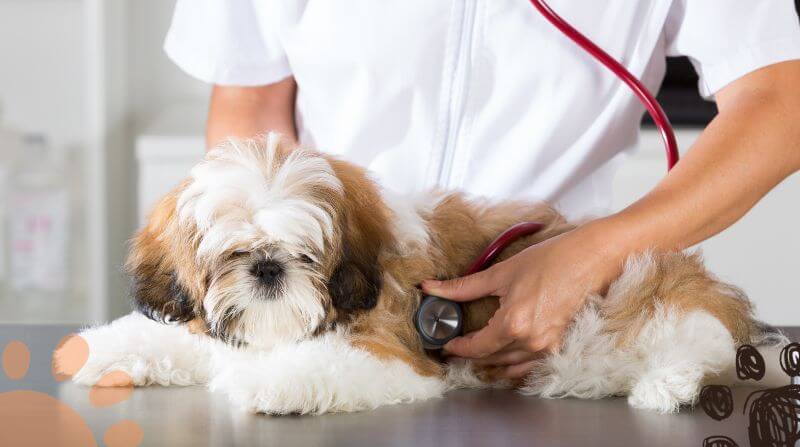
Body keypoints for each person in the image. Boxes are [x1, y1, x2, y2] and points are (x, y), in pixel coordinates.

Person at [164, 0, 800, 380]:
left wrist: (595, 254)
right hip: (340, 291)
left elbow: (780, 100)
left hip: (568, 321)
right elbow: (250, 100)